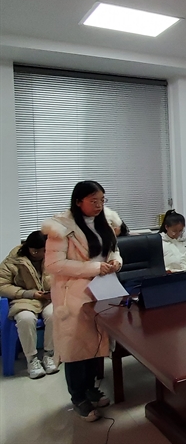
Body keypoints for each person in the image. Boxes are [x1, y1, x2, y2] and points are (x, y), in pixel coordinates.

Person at [42, 180, 122, 422]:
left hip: (101, 290)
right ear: (78, 202)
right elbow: (53, 264)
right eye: (93, 201)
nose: (99, 205)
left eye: (102, 200)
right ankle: (78, 397)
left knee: (95, 343)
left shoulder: (105, 221)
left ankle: (90, 389)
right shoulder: (61, 228)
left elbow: (113, 249)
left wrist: (116, 261)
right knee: (76, 348)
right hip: (74, 294)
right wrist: (95, 268)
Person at [0, 231, 57, 379]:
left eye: (42, 251)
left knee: (54, 314)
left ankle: (49, 355)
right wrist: (28, 293)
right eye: (34, 251)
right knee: (25, 318)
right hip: (24, 299)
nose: (38, 254)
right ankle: (32, 360)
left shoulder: (53, 255)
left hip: (48, 298)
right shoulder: (14, 259)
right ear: (28, 247)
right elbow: (2, 285)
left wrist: (55, 290)